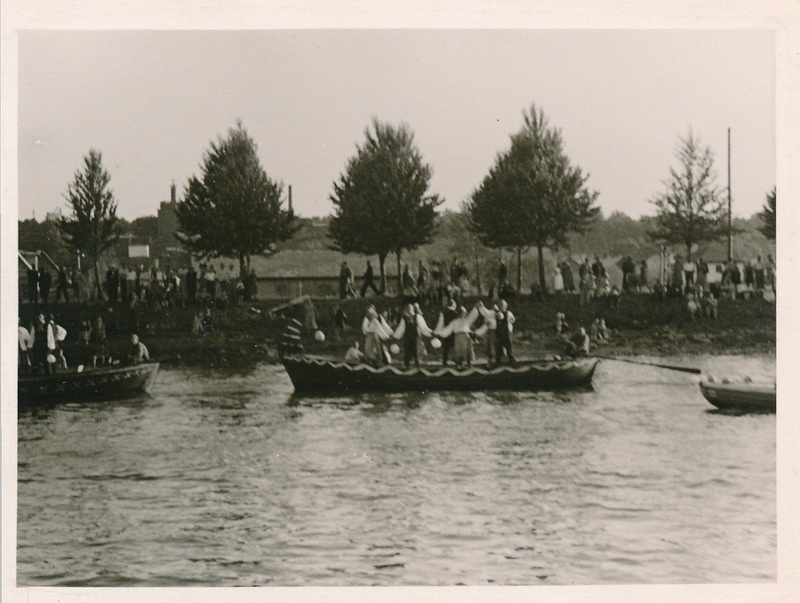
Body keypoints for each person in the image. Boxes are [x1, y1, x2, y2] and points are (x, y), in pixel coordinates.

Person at [435, 304, 480, 369]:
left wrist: (475, 307)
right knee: (459, 351)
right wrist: (438, 332)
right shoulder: (454, 321)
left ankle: (469, 363)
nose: (464, 314)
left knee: (467, 350)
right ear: (460, 313)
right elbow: (448, 329)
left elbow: (471, 316)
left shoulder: (466, 320)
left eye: (465, 313)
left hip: (465, 336)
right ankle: (459, 364)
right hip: (458, 337)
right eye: (463, 313)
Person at [393, 303, 432, 369]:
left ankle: (417, 365)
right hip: (408, 337)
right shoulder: (404, 318)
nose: (409, 310)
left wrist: (430, 332)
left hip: (415, 336)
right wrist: (395, 336)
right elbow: (401, 328)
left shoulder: (417, 317)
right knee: (407, 351)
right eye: (408, 309)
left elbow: (423, 327)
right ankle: (407, 365)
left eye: (410, 308)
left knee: (416, 351)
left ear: (413, 309)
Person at [435, 298, 459, 366]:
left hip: (445, 332)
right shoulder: (456, 313)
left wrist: (437, 332)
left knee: (446, 348)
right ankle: (457, 361)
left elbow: (440, 323)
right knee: (455, 347)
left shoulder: (443, 313)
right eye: (455, 304)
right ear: (453, 305)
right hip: (454, 332)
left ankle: (445, 361)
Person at [495, 299, 516, 365]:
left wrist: (509, 323)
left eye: (502, 305)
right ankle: (498, 360)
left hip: (506, 331)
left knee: (508, 345)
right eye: (500, 305)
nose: (501, 306)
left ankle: (511, 360)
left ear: (505, 306)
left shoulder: (508, 313)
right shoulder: (497, 313)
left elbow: (513, 320)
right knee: (499, 345)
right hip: (499, 330)